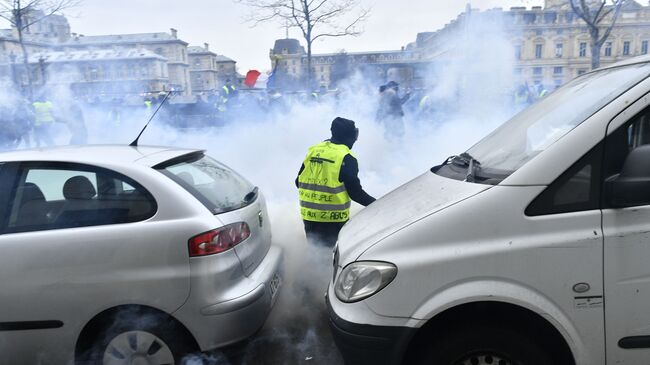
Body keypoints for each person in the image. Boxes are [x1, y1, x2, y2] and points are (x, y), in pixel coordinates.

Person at [296, 117, 376, 247]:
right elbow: (356, 193)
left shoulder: (314, 150)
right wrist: (379, 204)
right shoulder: (346, 157)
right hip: (333, 221)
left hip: (309, 217)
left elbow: (297, 181)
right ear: (349, 136)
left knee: (316, 255)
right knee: (333, 259)